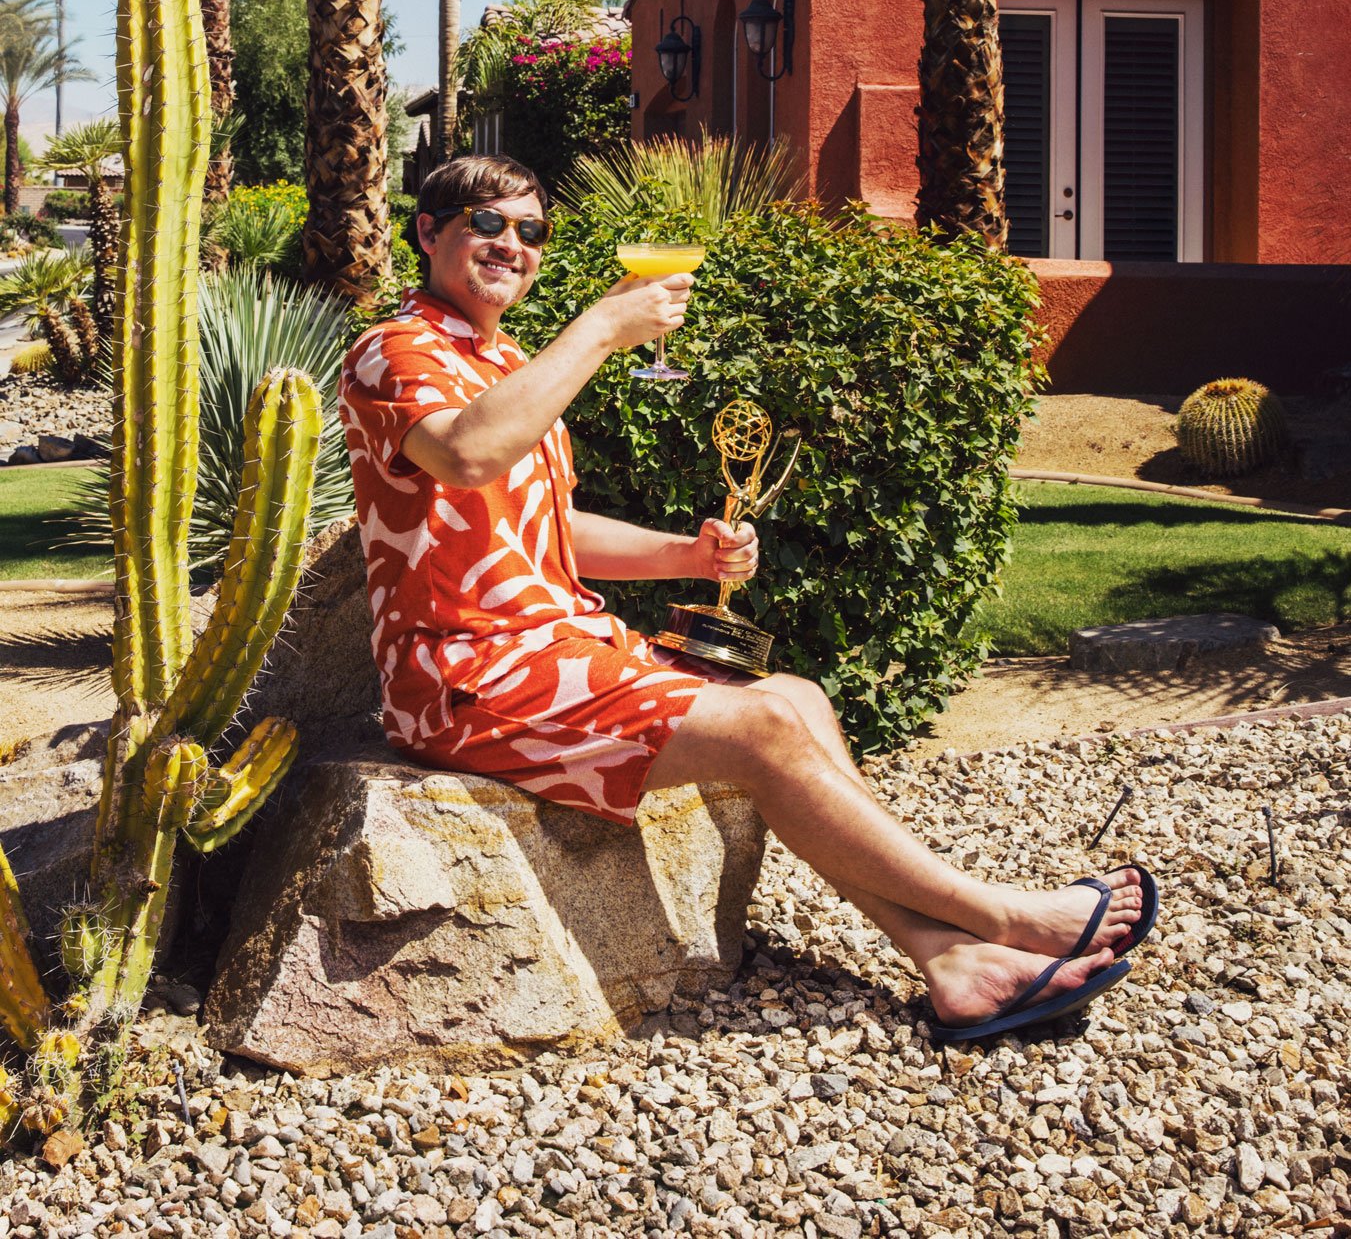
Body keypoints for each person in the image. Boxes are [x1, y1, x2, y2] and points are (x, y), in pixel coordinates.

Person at [338, 154, 1156, 1042]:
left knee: (793, 697)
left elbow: (545, 525)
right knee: (763, 732)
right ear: (428, 232)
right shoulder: (394, 349)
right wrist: (603, 327)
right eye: (485, 225)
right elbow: (468, 456)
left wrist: (686, 555)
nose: (511, 246)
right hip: (465, 678)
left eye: (529, 231)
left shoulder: (505, 360)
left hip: (558, 650)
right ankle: (1003, 917)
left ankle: (949, 961)